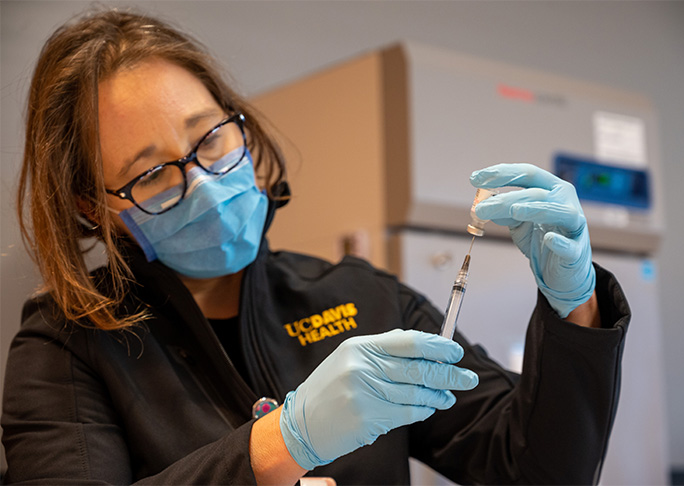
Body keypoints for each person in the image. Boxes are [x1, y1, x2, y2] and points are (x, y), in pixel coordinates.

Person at [1, 8, 630, 486]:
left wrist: (575, 307)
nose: (205, 184)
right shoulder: (67, 344)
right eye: (151, 172)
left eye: (210, 138)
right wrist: (278, 446)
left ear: (237, 122)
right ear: (93, 205)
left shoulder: (364, 299)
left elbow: (538, 469)